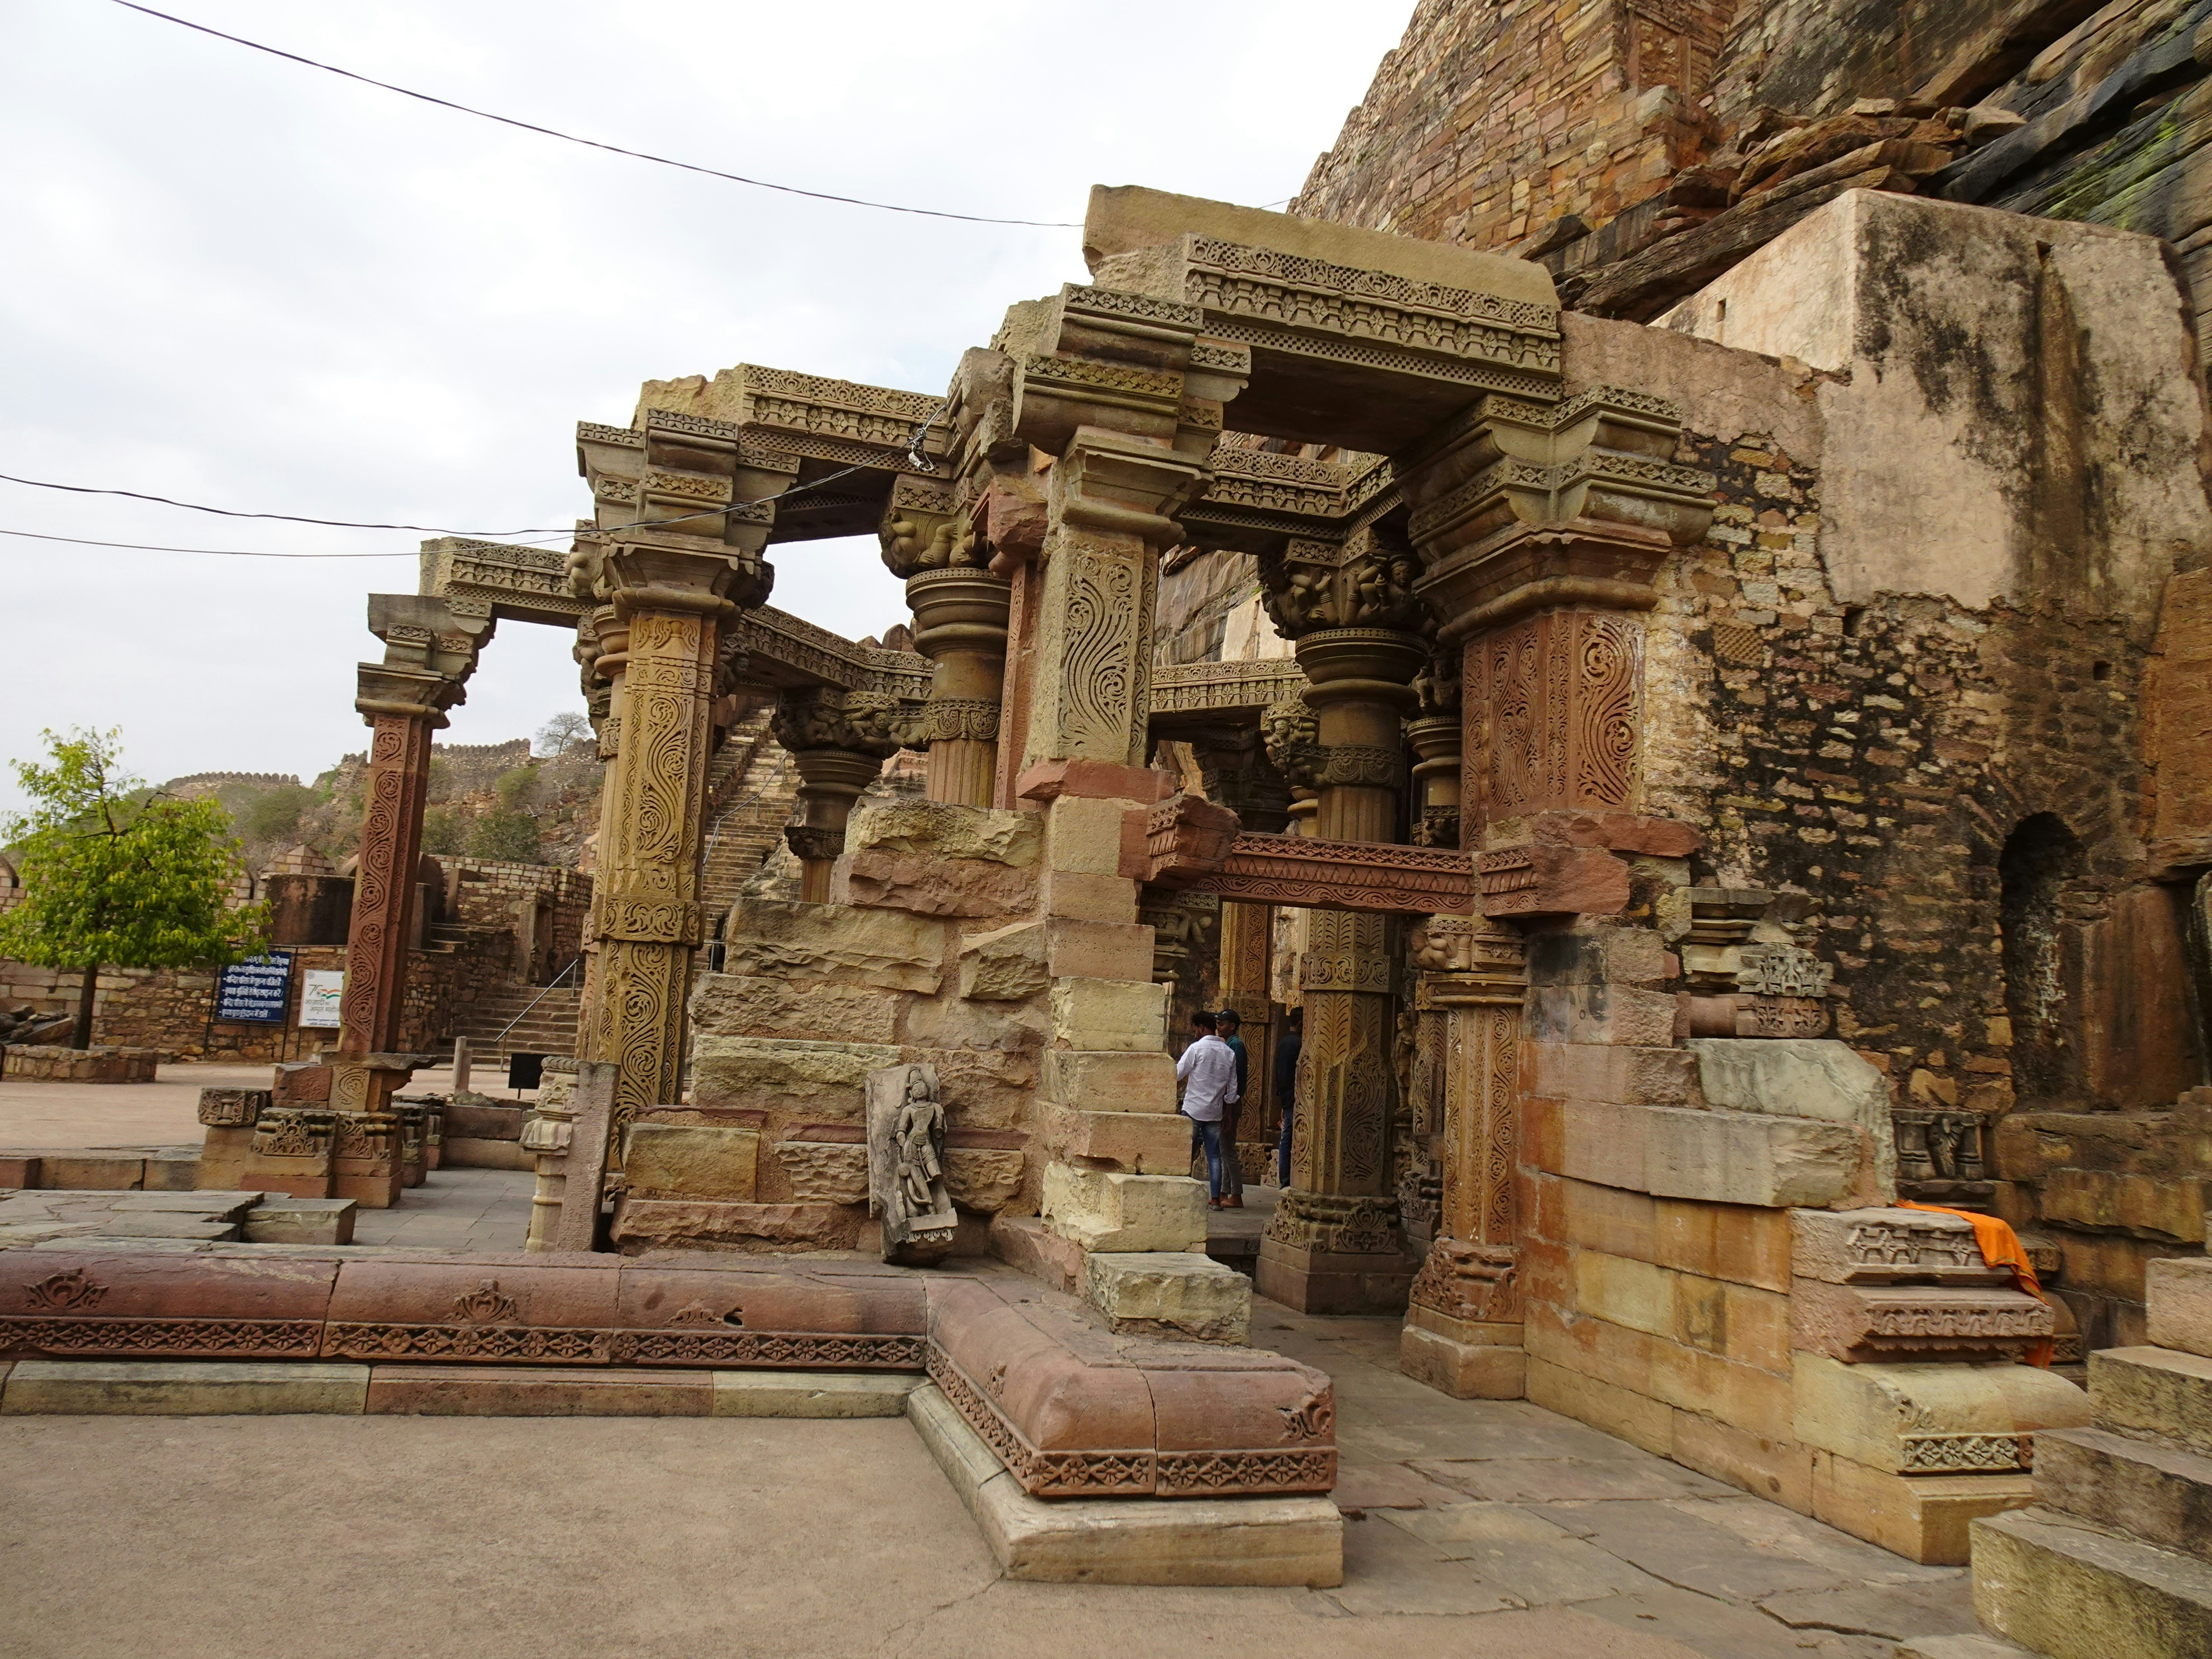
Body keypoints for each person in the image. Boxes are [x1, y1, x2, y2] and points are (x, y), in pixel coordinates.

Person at [1173, 1009, 1238, 1209]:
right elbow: (1233, 1090)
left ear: (1202, 1028)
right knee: (1214, 1156)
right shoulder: (1229, 1053)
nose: (1195, 1034)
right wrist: (1228, 1113)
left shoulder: (1196, 1049)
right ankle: (1216, 1199)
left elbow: (1177, 1073)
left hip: (1193, 1109)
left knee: (1185, 1152)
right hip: (1215, 1112)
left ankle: (1182, 1194)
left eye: (1195, 1030)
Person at [1216, 1008, 1249, 1209]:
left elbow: (1234, 1079)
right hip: (1228, 1102)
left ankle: (1236, 1194)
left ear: (1233, 1026)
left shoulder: (1236, 1045)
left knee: (1228, 1150)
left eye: (1222, 1024)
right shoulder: (1229, 1044)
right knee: (1224, 1149)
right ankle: (1224, 1192)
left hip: (1231, 1103)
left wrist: (1229, 1107)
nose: (1219, 1027)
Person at [1274, 1005, 1303, 1187]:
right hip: (1295, 1099)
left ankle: (1286, 1179)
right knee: (1291, 1139)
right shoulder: (1297, 1044)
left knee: (1287, 1139)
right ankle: (1288, 1181)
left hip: (1288, 1098)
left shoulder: (1284, 1043)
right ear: (1301, 1024)